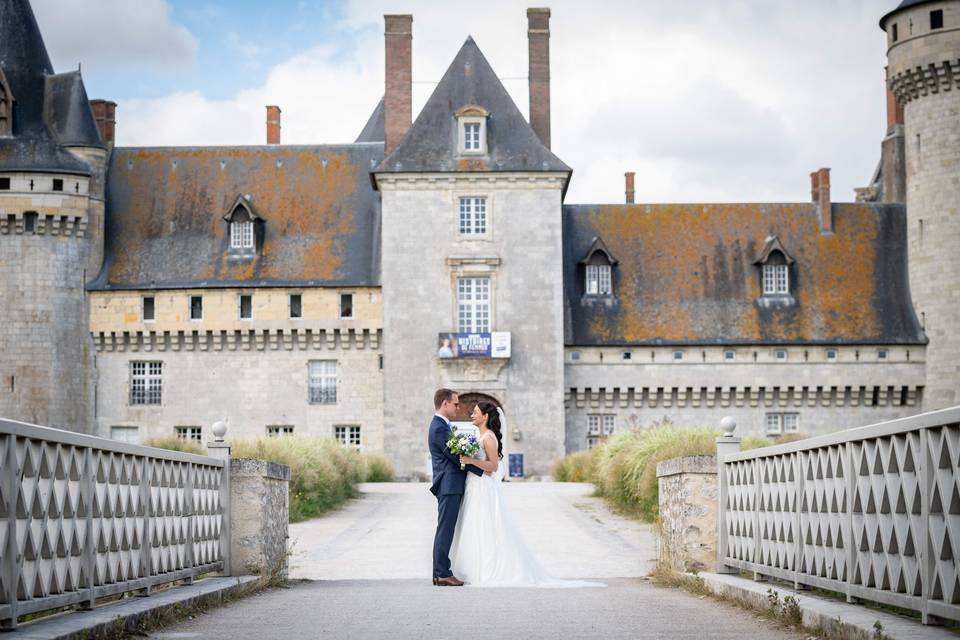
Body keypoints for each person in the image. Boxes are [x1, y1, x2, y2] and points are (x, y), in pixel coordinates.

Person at [450, 402, 604, 588]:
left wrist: (469, 460)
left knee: (485, 524)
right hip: (474, 485)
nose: (471, 415)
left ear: (486, 416)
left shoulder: (489, 438)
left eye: (475, 412)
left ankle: (488, 569)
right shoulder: (479, 436)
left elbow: (493, 467)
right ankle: (474, 567)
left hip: (483, 487)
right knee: (475, 524)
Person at [428, 388, 482, 586]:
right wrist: (482, 470)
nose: (458, 408)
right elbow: (455, 457)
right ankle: (442, 573)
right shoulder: (439, 428)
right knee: (445, 529)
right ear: (445, 403)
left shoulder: (443, 426)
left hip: (451, 484)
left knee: (447, 528)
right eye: (456, 404)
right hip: (448, 485)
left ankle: (440, 572)